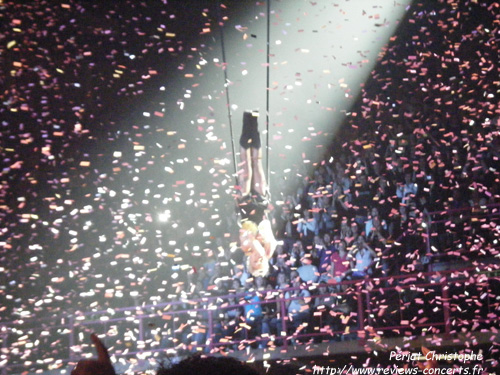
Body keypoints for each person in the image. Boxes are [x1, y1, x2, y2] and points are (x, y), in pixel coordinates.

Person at [237, 110, 277, 277]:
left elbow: (251, 237)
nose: (258, 260)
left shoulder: (245, 248)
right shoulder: (270, 250)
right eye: (261, 263)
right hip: (261, 207)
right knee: (258, 167)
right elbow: (269, 233)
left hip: (246, 208)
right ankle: (254, 123)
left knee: (246, 169)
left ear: (250, 262)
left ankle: (247, 122)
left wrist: (258, 248)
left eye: (255, 263)